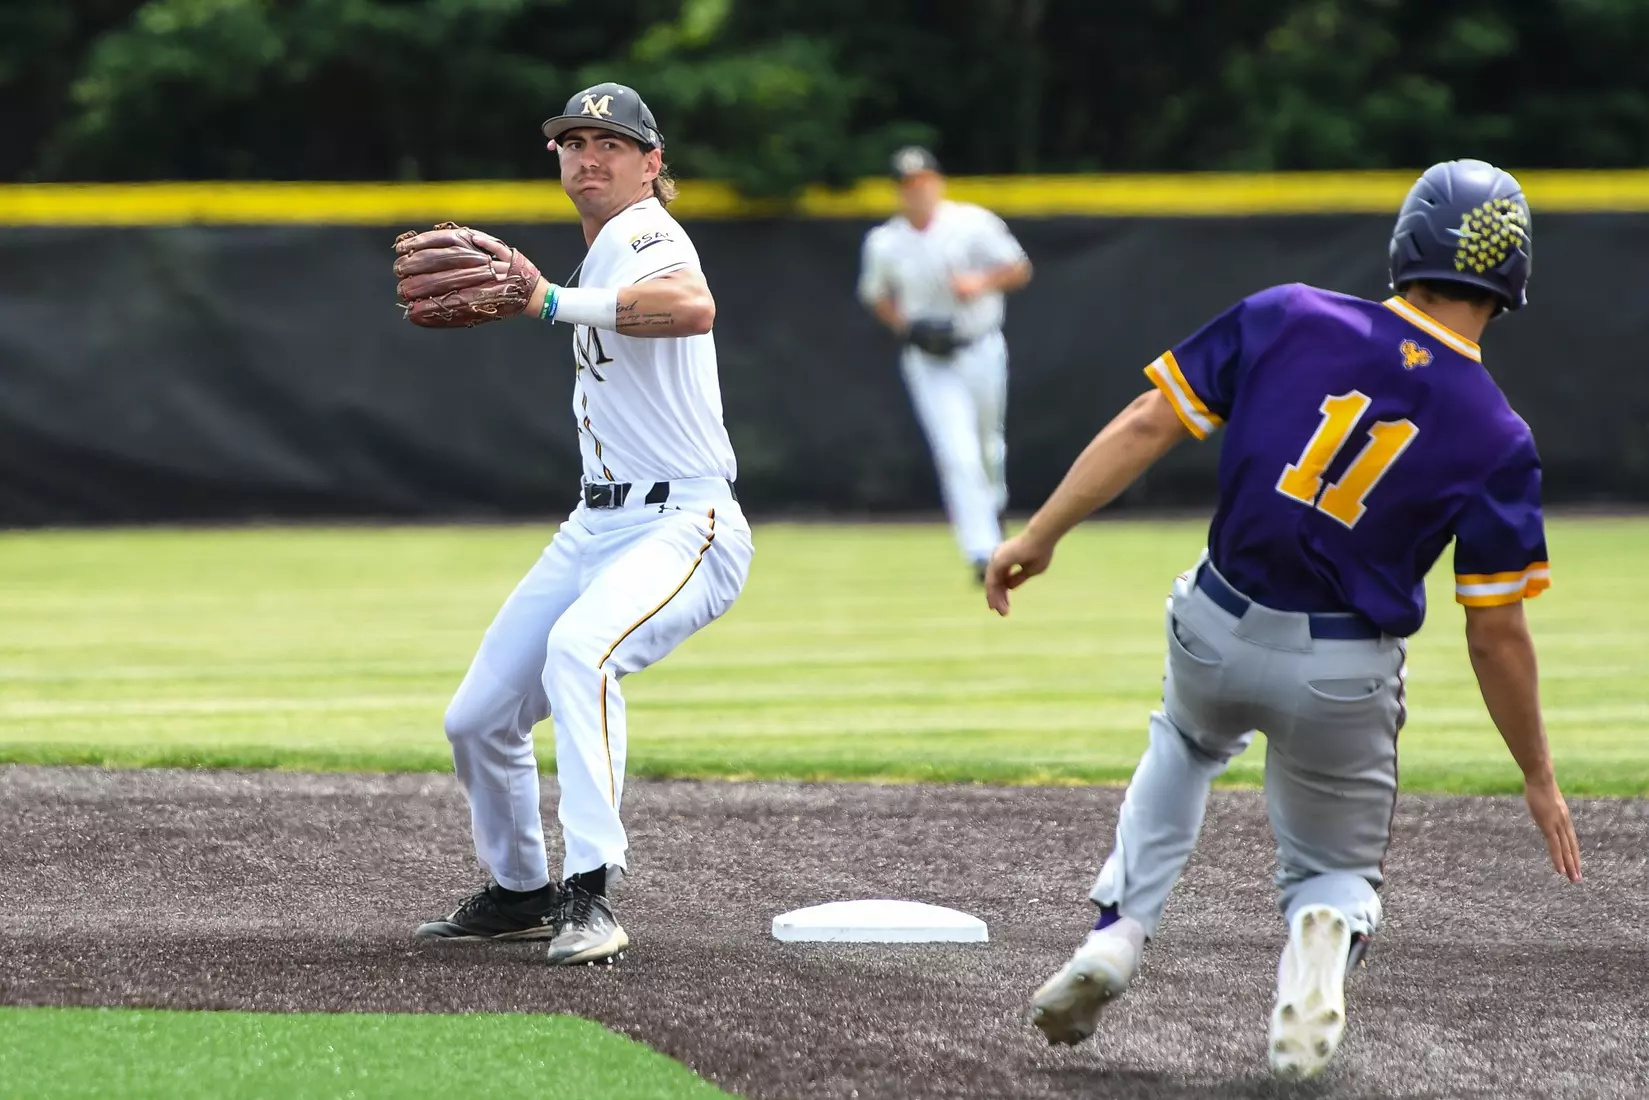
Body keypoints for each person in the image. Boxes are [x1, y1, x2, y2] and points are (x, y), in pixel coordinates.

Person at [984, 159, 1583, 1077]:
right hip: (1341, 670)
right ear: (1512, 281)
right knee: (1334, 872)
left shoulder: (1290, 312)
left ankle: (1116, 932)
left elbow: (1151, 421)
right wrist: (1537, 775)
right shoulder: (1499, 435)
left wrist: (1041, 532)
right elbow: (1494, 631)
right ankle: (1321, 926)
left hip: (1215, 623)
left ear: (1406, 244)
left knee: (1182, 743)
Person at [408, 82, 754, 966]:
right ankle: (520, 890)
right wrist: (562, 296)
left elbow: (692, 307)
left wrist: (552, 304)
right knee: (478, 718)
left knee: (581, 653)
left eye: (610, 142)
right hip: (597, 521)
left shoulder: (646, 232)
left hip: (686, 520)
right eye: (571, 143)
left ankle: (590, 892)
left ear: (651, 164)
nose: (587, 157)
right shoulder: (601, 252)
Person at [858, 146, 1033, 582]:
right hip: (930, 359)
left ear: (937, 182)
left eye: (923, 181)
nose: (917, 191)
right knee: (956, 452)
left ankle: (993, 505)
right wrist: (906, 327)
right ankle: (982, 551)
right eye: (907, 185)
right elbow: (877, 296)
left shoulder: (972, 223)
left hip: (980, 345)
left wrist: (980, 282)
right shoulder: (886, 241)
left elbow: (1018, 268)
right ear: (899, 191)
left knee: (987, 448)